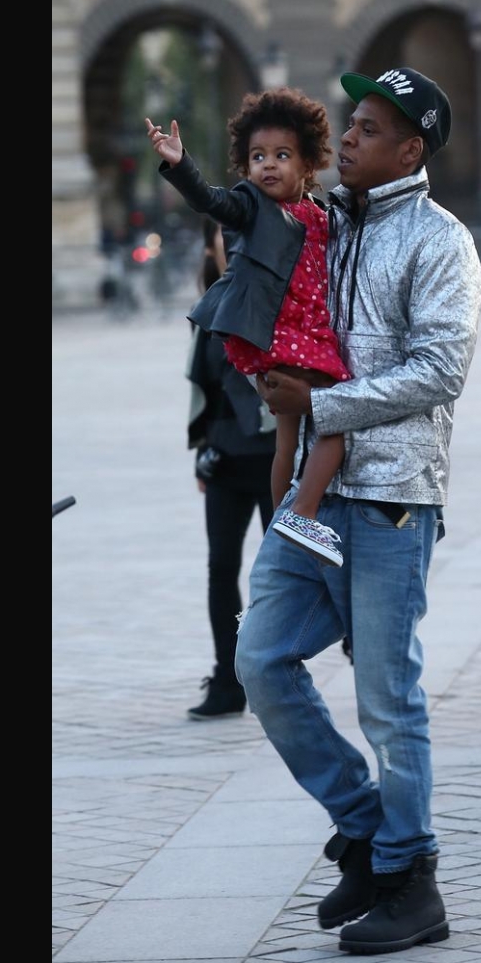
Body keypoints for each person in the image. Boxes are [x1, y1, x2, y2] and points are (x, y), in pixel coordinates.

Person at [241, 67, 481, 955]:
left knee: (388, 698)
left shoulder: (441, 240)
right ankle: (366, 826)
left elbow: (439, 370)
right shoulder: (327, 223)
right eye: (349, 124)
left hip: (389, 501)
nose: (346, 139)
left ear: (410, 150)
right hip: (313, 492)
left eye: (369, 129)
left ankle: (412, 879)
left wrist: (319, 407)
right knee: (261, 661)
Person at [147, 87, 354, 568]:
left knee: (291, 436)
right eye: (258, 156)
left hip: (308, 331)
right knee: (340, 417)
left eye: (282, 155)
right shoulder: (250, 205)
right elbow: (212, 202)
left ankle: (286, 519)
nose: (269, 166)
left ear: (307, 164)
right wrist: (181, 166)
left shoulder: (321, 214)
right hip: (279, 334)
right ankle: (300, 514)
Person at [185, 217, 278, 721]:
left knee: (279, 573)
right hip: (224, 459)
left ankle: (274, 673)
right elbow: (205, 389)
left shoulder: (274, 297)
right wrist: (203, 447)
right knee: (221, 569)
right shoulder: (209, 305)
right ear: (212, 245)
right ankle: (228, 678)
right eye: (223, 234)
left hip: (273, 457)